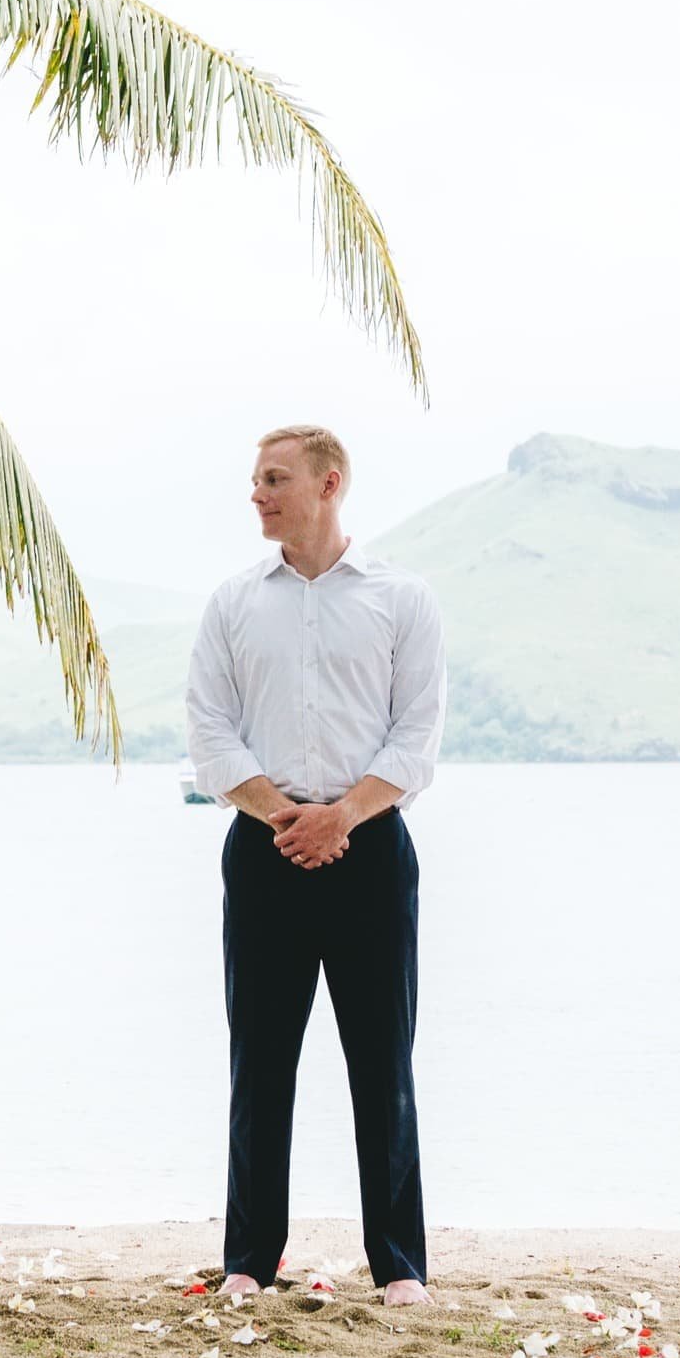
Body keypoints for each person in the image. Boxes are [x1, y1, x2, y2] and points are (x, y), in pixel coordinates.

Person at [185, 425, 446, 1307]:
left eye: (273, 479)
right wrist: (282, 814)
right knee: (260, 1059)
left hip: (370, 848)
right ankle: (250, 1260)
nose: (257, 494)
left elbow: (418, 734)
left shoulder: (402, 599)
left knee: (383, 1059)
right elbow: (209, 732)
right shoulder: (231, 603)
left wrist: (343, 815)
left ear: (328, 484)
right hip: (263, 847)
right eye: (255, 479)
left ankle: (401, 1266)